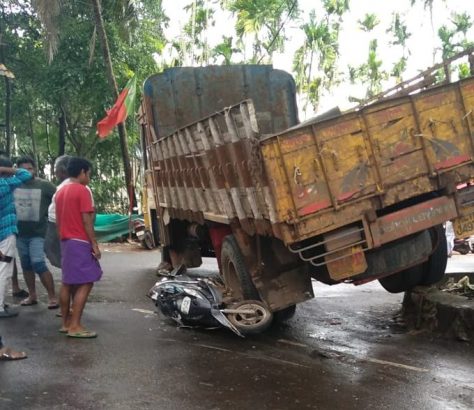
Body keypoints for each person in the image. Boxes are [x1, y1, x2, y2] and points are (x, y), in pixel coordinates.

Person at [55, 157, 102, 338]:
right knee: (86, 281)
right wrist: (94, 244)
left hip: (66, 241)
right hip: (80, 241)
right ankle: (75, 325)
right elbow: (86, 220)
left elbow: (58, 221)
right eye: (88, 173)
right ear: (82, 172)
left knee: (67, 283)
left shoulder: (61, 191)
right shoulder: (82, 191)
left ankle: (66, 323)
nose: (89, 177)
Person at [14, 156, 58, 309]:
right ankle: (32, 295)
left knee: (38, 263)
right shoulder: (13, 184)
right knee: (26, 264)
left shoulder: (44, 185)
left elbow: (60, 199)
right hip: (19, 233)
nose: (27, 172)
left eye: (30, 168)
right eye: (23, 169)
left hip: (39, 233)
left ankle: (53, 297)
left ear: (35, 169)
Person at [0, 157, 32, 318]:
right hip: (5, 233)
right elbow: (26, 174)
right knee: (4, 270)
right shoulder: (5, 184)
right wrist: (5, 170)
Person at [44, 155, 72, 268]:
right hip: (56, 226)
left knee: (61, 255)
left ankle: (71, 279)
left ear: (62, 170)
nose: (54, 171)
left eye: (56, 168)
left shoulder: (68, 187)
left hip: (60, 227)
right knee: (54, 253)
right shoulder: (63, 186)